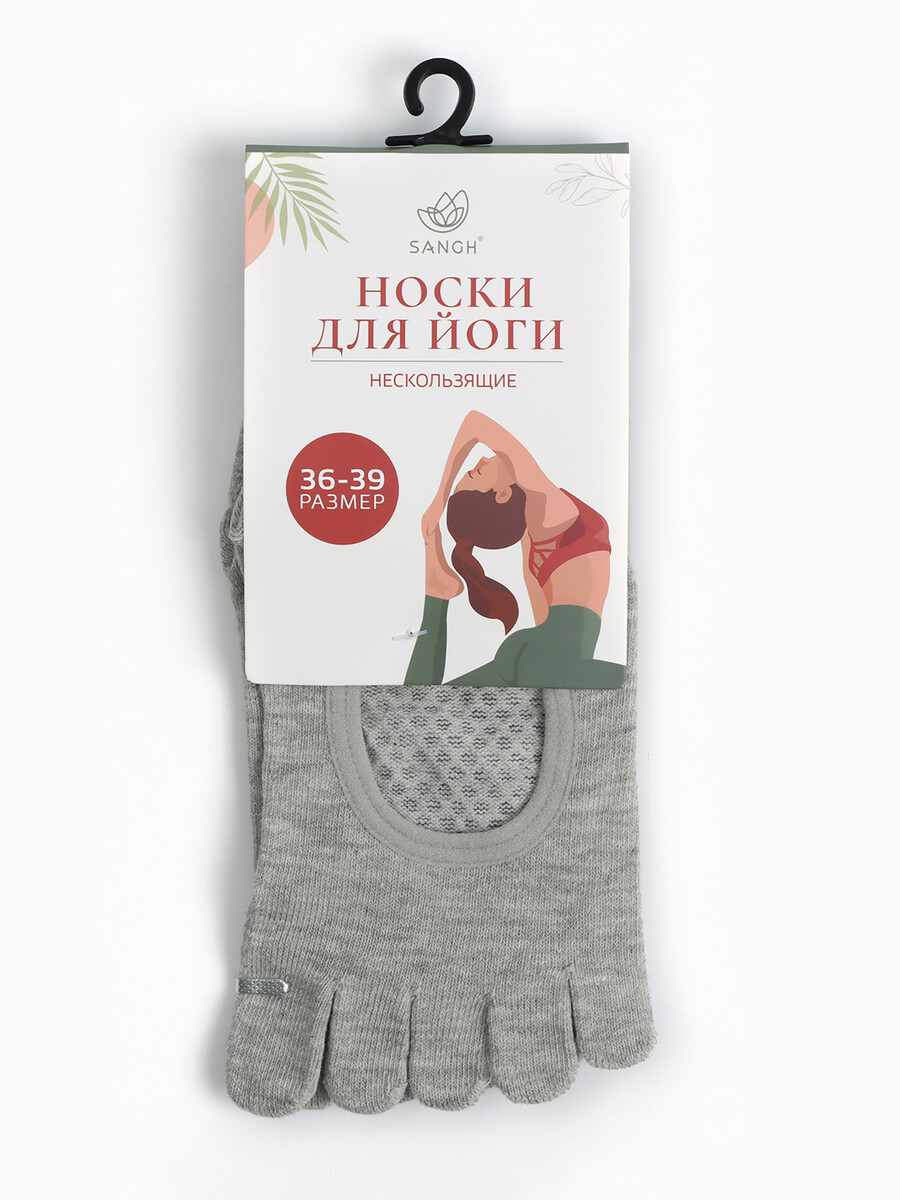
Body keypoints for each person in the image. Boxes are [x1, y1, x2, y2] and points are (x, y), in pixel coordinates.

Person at [404, 410, 625, 688]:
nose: (483, 459)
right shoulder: (547, 508)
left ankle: (437, 591)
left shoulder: (531, 537)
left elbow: (545, 622)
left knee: (421, 704)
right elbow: (476, 423)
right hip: (546, 658)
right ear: (502, 494)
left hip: (530, 655)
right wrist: (439, 500)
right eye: (477, 472)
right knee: (628, 677)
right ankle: (437, 586)